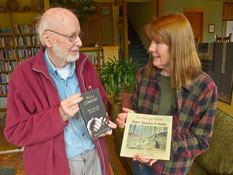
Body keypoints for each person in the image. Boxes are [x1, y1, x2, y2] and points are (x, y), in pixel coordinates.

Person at [4, 7, 116, 175]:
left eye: (79, 35)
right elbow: (15, 133)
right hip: (55, 167)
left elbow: (100, 100)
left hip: (95, 157)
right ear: (48, 39)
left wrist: (103, 119)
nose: (79, 42)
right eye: (72, 36)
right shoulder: (23, 76)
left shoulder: (85, 65)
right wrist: (58, 116)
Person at [116, 13, 217, 175]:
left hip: (173, 168)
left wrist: (162, 148)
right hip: (140, 162)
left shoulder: (204, 86)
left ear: (178, 46)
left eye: (158, 43)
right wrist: (131, 119)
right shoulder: (143, 75)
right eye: (150, 41)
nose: (150, 48)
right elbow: (138, 111)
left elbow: (201, 140)